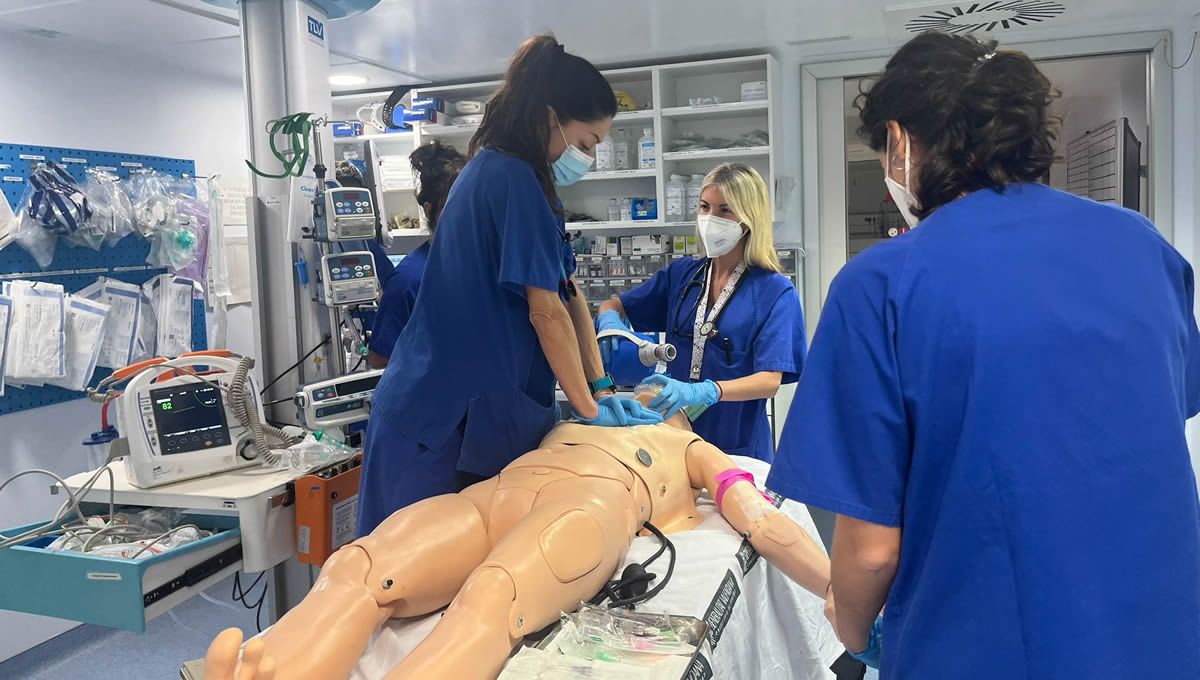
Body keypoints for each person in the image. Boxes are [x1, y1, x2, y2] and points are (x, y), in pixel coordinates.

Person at [767, 32, 1200, 679]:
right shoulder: (1144, 248)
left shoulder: (883, 285)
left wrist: (853, 631)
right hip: (1163, 637)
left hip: (986, 646)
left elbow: (871, 552)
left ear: (901, 140)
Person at [204, 388, 832, 680]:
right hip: (495, 493)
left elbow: (761, 521)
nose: (637, 393)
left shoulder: (689, 444)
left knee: (491, 599)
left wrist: (842, 591)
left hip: (592, 499)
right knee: (362, 568)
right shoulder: (576, 412)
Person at [357, 35, 662, 537]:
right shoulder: (509, 178)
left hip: (470, 416)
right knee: (401, 583)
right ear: (550, 117)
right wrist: (586, 409)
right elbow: (544, 315)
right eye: (585, 144)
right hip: (437, 426)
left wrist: (601, 387)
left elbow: (568, 296)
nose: (586, 157)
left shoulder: (529, 182)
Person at [596, 163, 806, 461]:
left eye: (724, 210)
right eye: (705, 207)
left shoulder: (775, 292)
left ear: (748, 219)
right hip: (673, 436)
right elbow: (614, 304)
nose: (710, 219)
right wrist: (608, 323)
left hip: (736, 447)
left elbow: (769, 380)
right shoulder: (682, 275)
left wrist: (706, 392)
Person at [366, 141, 466, 367]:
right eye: (455, 209)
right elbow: (380, 360)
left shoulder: (491, 266)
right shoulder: (409, 280)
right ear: (430, 211)